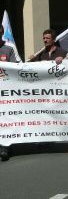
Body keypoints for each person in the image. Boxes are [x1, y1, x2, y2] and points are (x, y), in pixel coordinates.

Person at [0, 25, 17, 161]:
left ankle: (5, 147)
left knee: (5, 120)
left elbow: (14, 69)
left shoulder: (8, 50)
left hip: (5, 93)